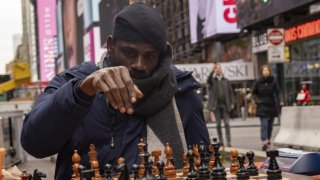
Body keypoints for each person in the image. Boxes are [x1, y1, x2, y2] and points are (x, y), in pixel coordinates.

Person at [20, 3, 210, 179]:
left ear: (162, 55)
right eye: (129, 53)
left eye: (149, 56)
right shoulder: (75, 81)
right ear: (111, 46)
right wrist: (81, 93)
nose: (138, 64)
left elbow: (204, 166)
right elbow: (34, 144)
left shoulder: (181, 92)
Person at [252, 64, 283, 151]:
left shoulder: (273, 81)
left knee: (270, 125)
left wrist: (280, 100)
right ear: (261, 72)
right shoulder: (258, 82)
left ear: (269, 71)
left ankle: (268, 140)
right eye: (264, 70)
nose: (266, 72)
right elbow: (254, 93)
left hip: (271, 105)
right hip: (262, 105)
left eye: (267, 70)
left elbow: (278, 92)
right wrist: (257, 100)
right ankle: (264, 141)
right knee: (264, 124)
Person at [207, 63, 234, 147]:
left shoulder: (226, 80)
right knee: (218, 124)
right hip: (216, 106)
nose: (217, 69)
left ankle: (228, 141)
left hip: (225, 105)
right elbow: (208, 80)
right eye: (216, 68)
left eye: (218, 68)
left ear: (221, 69)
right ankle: (221, 141)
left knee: (227, 123)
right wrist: (212, 71)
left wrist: (232, 102)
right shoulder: (213, 80)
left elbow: (231, 93)